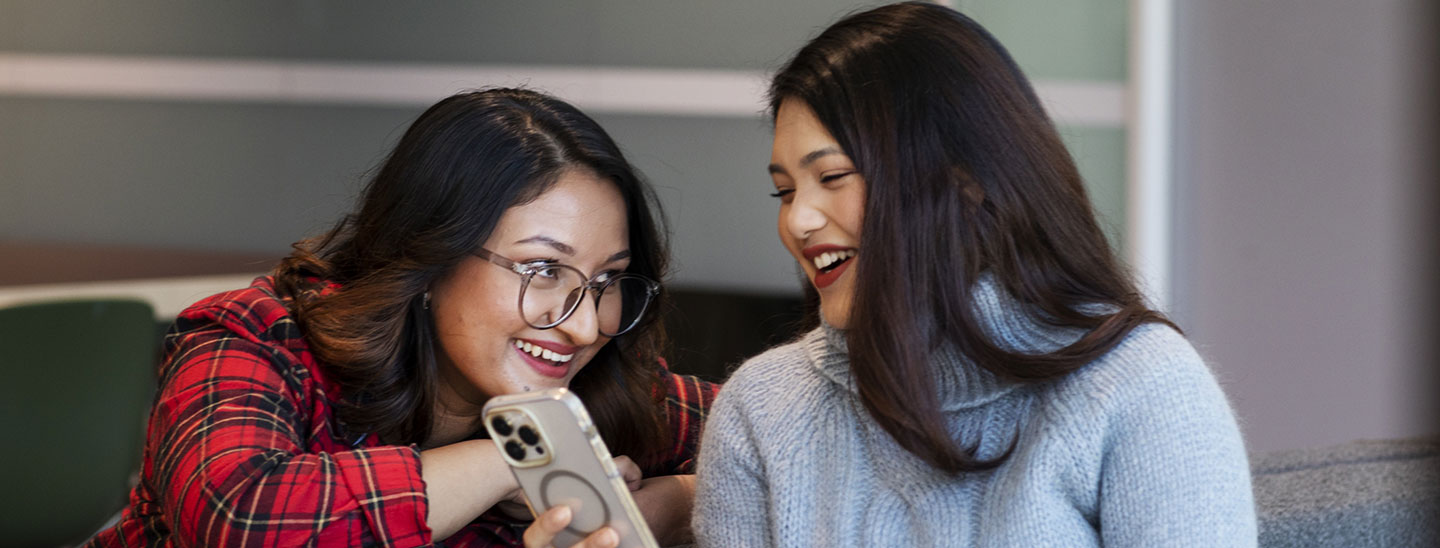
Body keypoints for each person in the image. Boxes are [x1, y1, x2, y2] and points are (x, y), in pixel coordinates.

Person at [693, 3, 1256, 546]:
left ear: (964, 185)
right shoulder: (761, 410)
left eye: (833, 176)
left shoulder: (1140, 385)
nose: (798, 220)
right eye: (784, 191)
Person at [86, 88, 716, 547]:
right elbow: (243, 518)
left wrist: (679, 506)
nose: (583, 327)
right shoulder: (251, 336)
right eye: (542, 270)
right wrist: (524, 460)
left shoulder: (603, 390)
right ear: (430, 258)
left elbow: (785, 431)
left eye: (606, 281)